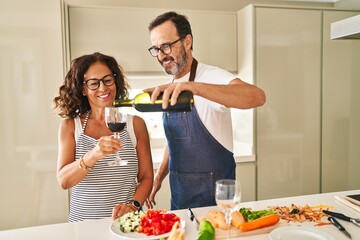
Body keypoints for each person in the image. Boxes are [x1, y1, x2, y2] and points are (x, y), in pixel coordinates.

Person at [144, 12, 266, 210]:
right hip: (180, 199)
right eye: (156, 49)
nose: (161, 55)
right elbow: (175, 140)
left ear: (187, 41)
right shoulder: (171, 86)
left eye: (166, 46)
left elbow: (257, 96)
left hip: (214, 206)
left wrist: (195, 88)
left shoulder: (211, 75)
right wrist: (158, 179)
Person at [53, 52, 153, 222]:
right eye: (94, 83)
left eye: (108, 80)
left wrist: (133, 206)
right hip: (83, 226)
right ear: (83, 89)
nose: (103, 88)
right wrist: (93, 155)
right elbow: (64, 181)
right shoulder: (71, 127)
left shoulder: (135, 124)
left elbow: (146, 177)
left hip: (126, 224)